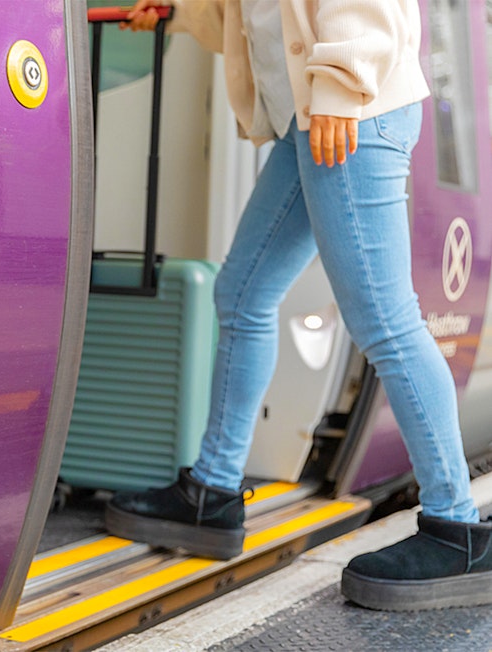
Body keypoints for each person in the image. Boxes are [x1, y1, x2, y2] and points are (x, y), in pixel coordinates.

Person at [106, 0, 492, 611]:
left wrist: (341, 84)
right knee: (245, 291)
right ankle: (214, 490)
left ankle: (458, 529)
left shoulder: (344, 92)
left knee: (387, 323)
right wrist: (174, 12)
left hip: (349, 113)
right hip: (305, 119)